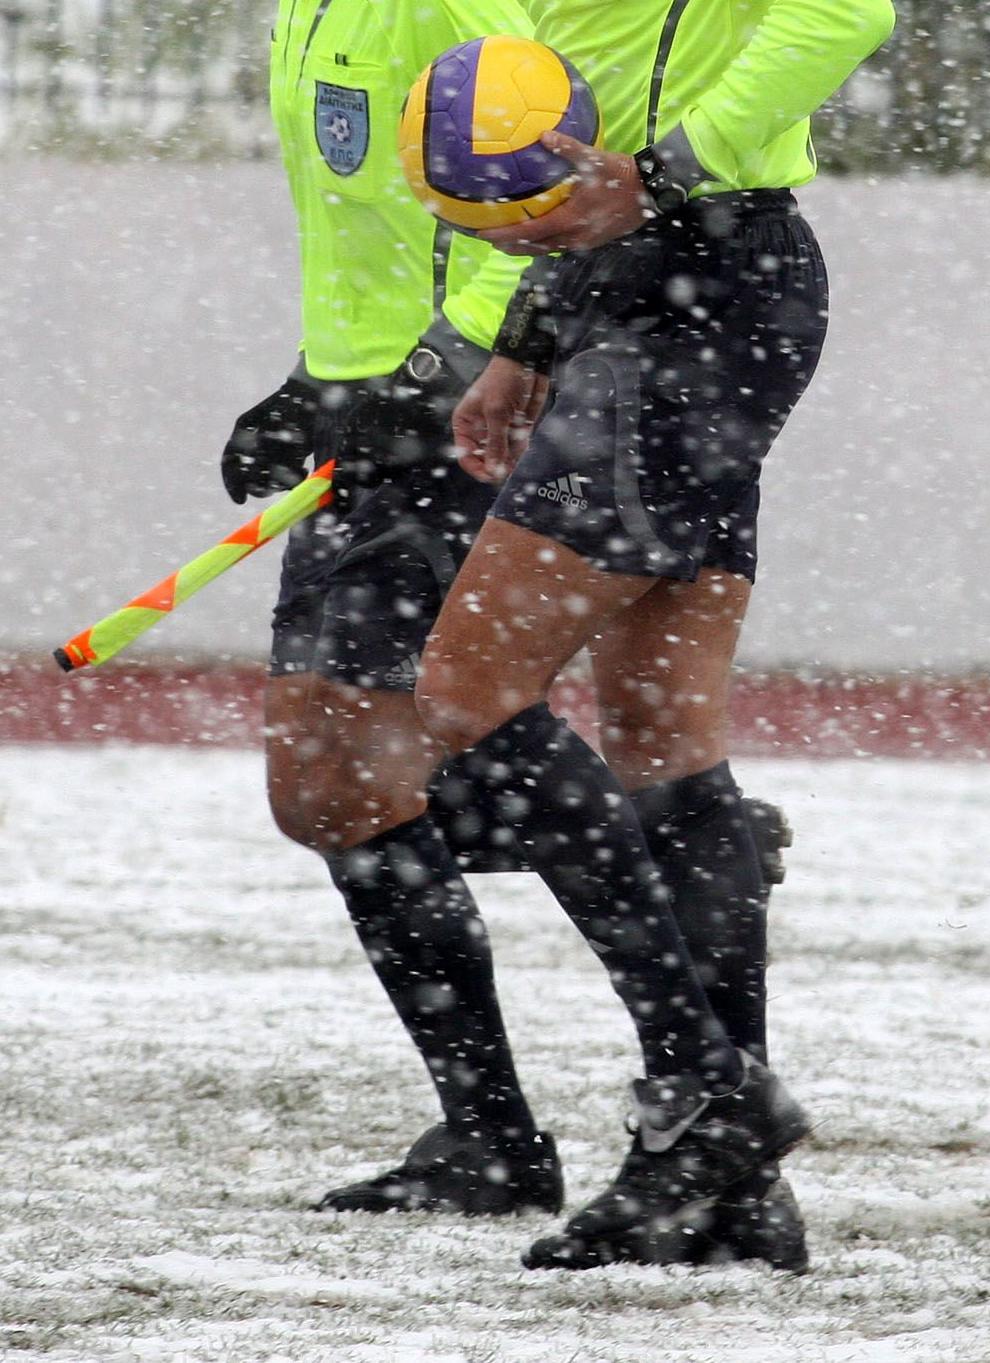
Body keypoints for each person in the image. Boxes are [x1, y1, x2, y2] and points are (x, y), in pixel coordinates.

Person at [235, 0, 795, 1265]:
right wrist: (320, 377)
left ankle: (698, 1068)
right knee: (333, 775)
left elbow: (534, 171)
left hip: (441, 408)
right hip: (375, 403)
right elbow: (384, 225)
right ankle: (508, 1128)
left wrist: (436, 372)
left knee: (444, 723)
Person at [410, 0, 895, 1271]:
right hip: (660, 289)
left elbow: (850, 10)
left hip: (704, 283)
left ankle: (705, 1087)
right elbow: (597, 129)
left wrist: (671, 172)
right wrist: (526, 340)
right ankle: (723, 1193)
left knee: (464, 692)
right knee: (659, 734)